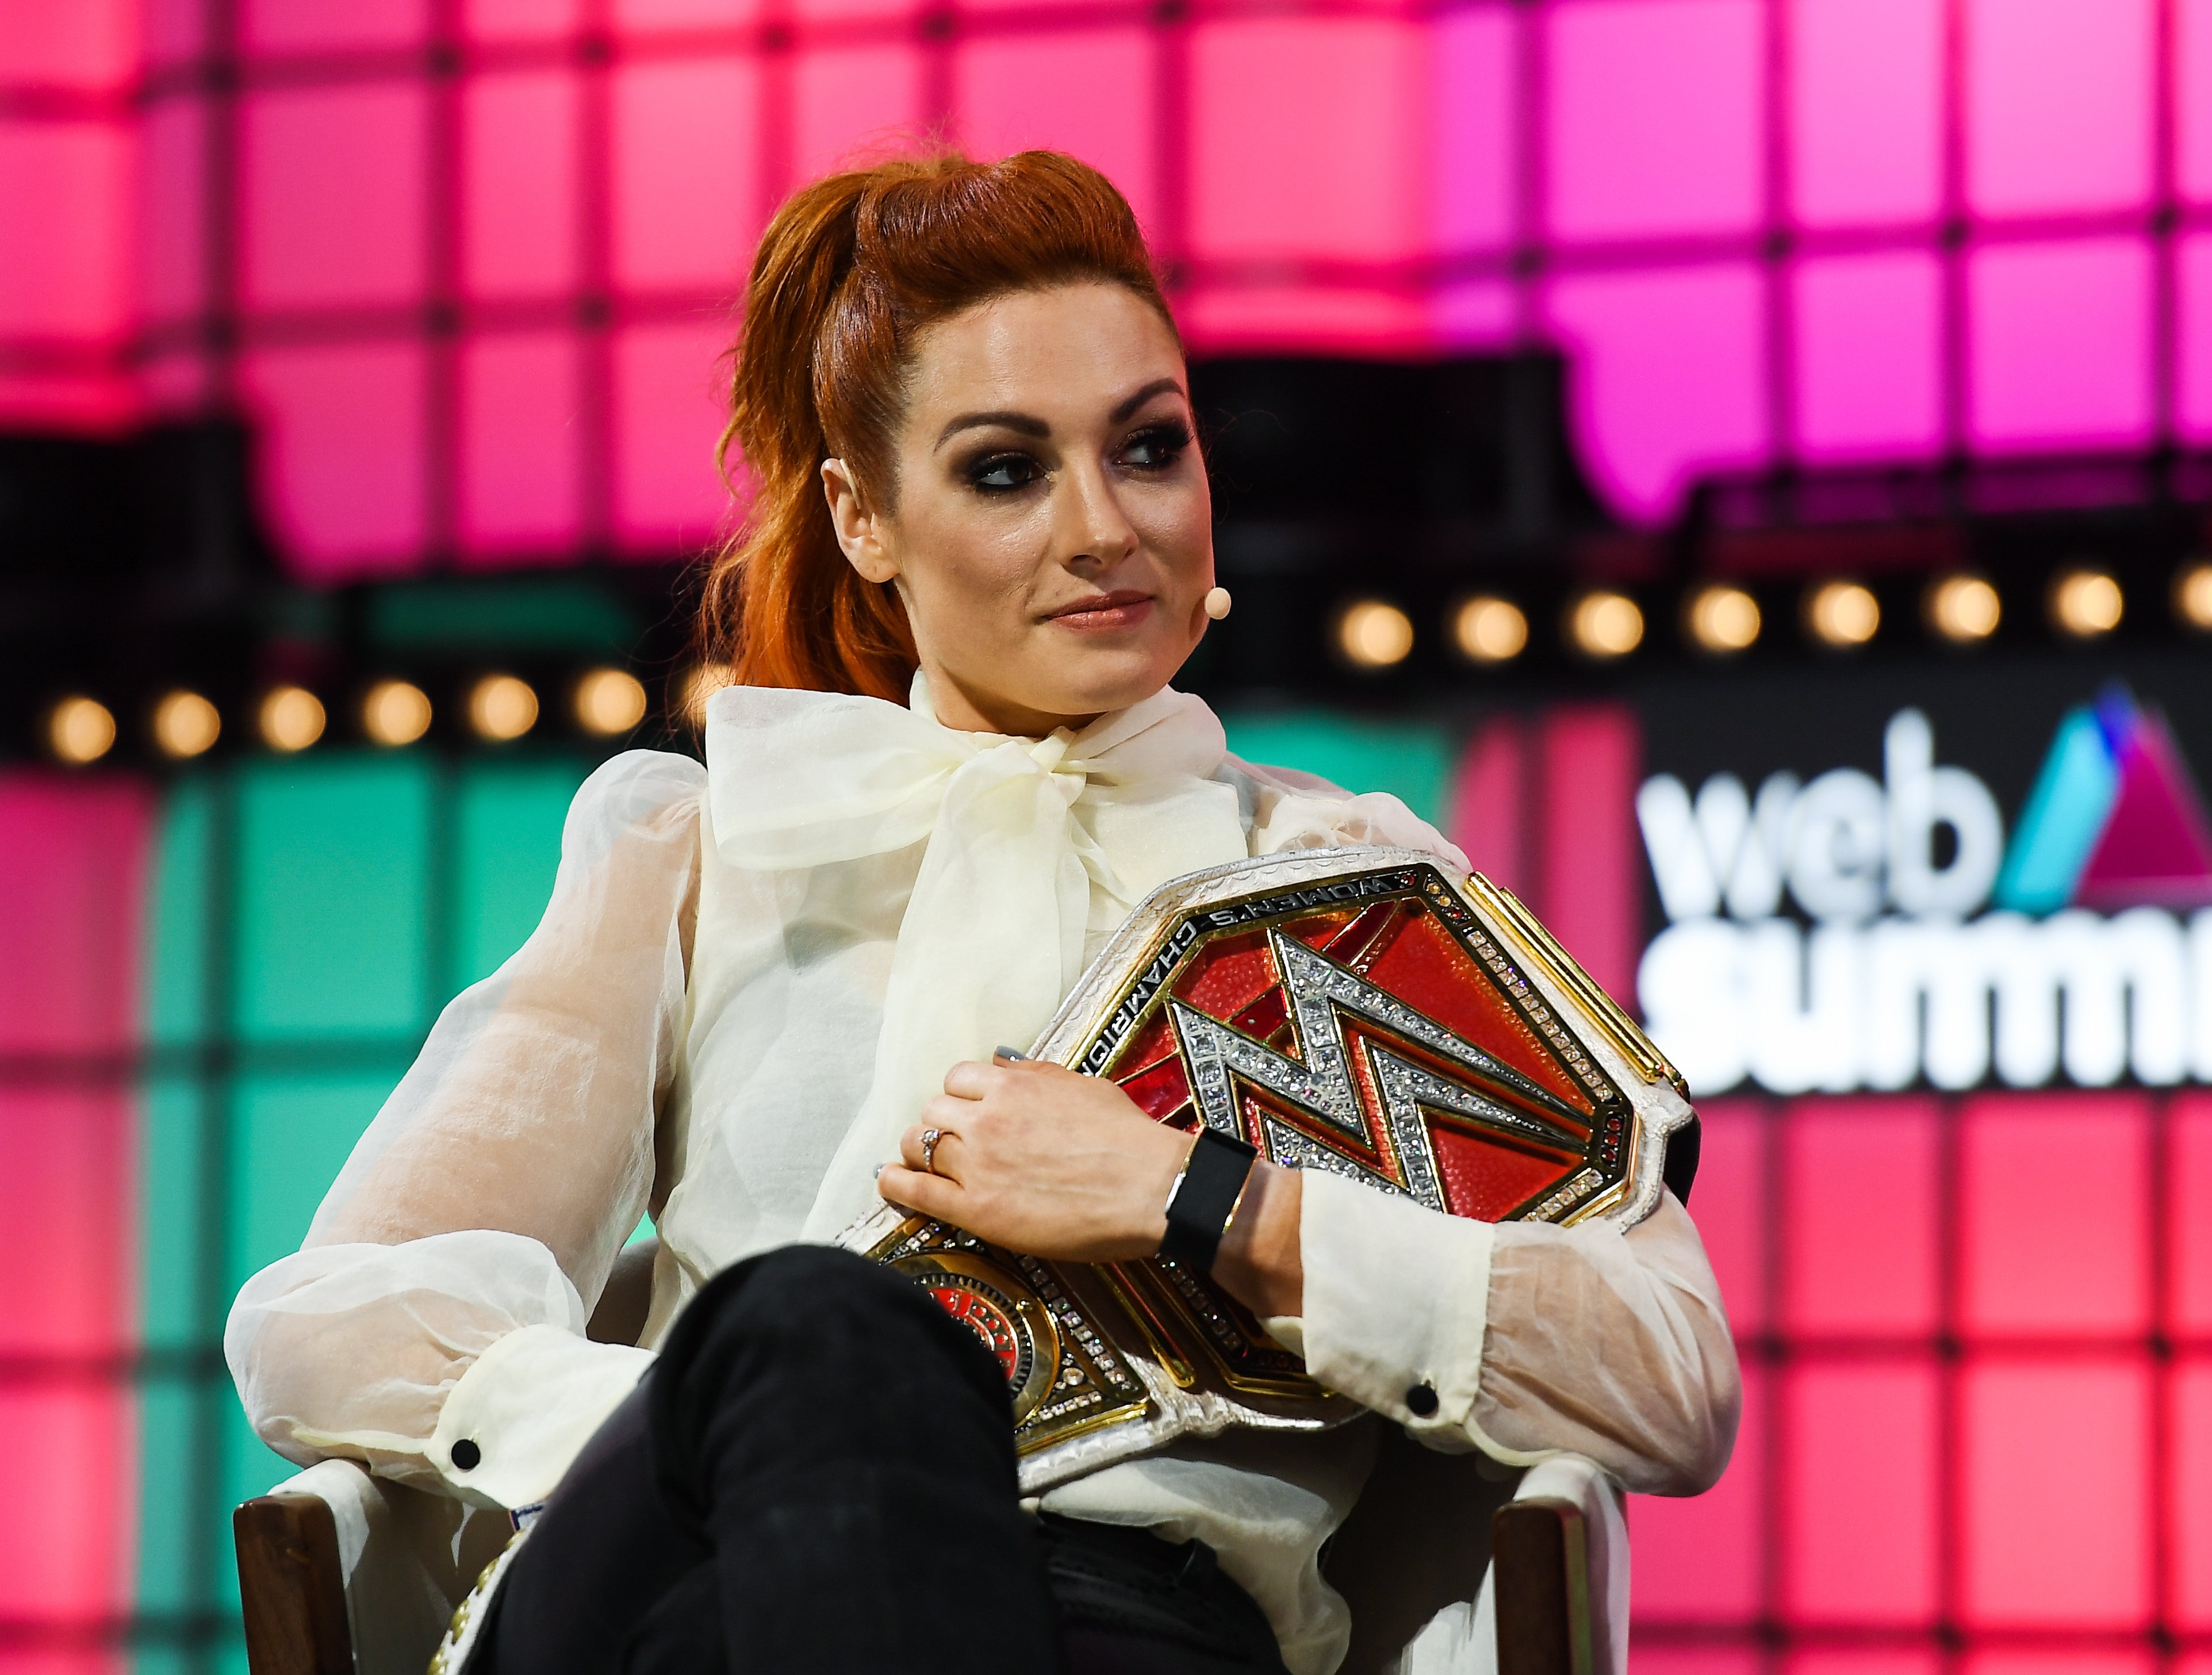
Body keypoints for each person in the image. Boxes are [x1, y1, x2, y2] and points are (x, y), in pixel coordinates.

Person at [225, 150, 1740, 1675]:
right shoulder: (700, 853)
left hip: (1127, 1627)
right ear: (862, 519)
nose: (1105, 525)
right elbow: (325, 1321)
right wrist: (721, 1416)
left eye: (1149, 448)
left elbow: (1668, 1371)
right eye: (1008, 471)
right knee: (814, 1327)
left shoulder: (1341, 880)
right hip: (697, 1594)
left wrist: (1200, 1198)